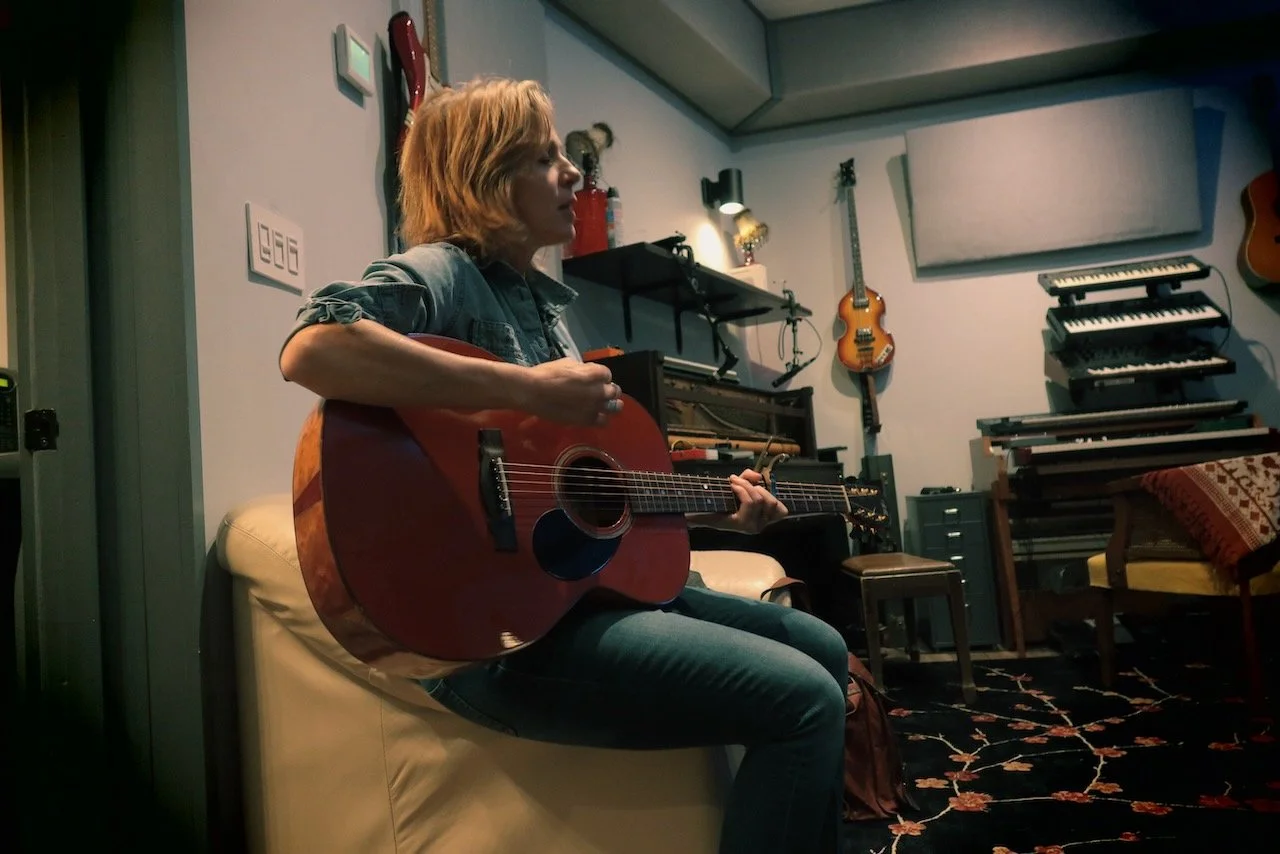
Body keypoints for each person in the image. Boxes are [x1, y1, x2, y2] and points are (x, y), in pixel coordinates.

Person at [278, 76, 848, 854]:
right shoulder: (444, 273)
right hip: (500, 635)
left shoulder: (547, 313)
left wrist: (720, 509)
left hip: (577, 601)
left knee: (826, 648)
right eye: (545, 158)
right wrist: (522, 388)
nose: (573, 174)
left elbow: (588, 497)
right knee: (805, 698)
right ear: (485, 174)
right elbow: (313, 348)